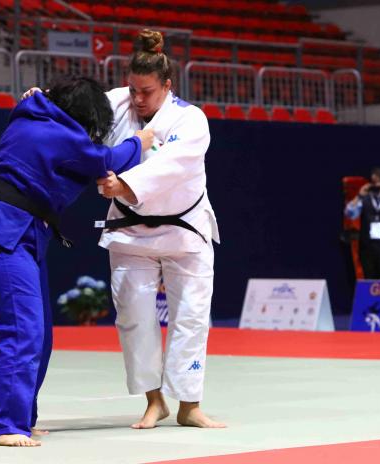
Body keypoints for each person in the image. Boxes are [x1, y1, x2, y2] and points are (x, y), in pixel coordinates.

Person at [0, 75, 154, 447]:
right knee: (23, 332)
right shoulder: (56, 133)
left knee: (40, 334)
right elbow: (105, 159)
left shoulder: (32, 114)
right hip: (5, 236)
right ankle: (5, 424)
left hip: (22, 235)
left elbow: (41, 104)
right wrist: (140, 142)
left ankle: (22, 416)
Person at [96, 29, 225, 430]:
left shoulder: (190, 119)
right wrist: (40, 99)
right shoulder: (116, 103)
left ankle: (189, 403)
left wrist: (124, 185)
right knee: (134, 318)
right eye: (133, 88)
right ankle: (155, 401)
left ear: (167, 86)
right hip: (130, 233)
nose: (137, 98)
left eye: (146, 91)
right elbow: (72, 107)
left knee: (191, 317)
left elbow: (172, 167)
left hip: (185, 231)